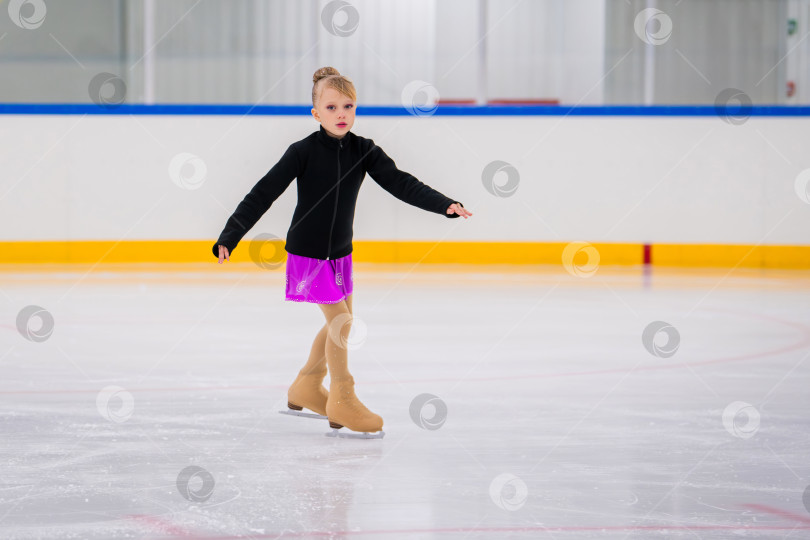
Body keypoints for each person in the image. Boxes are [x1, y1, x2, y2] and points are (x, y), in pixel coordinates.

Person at [212, 66, 473, 438]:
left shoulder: (363, 150)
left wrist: (444, 204)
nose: (341, 114)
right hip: (309, 253)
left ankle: (306, 384)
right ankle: (342, 397)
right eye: (331, 107)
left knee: (341, 322)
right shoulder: (301, 152)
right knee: (341, 323)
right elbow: (263, 192)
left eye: (348, 106)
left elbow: (401, 183)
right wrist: (231, 234)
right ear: (316, 113)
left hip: (340, 254)